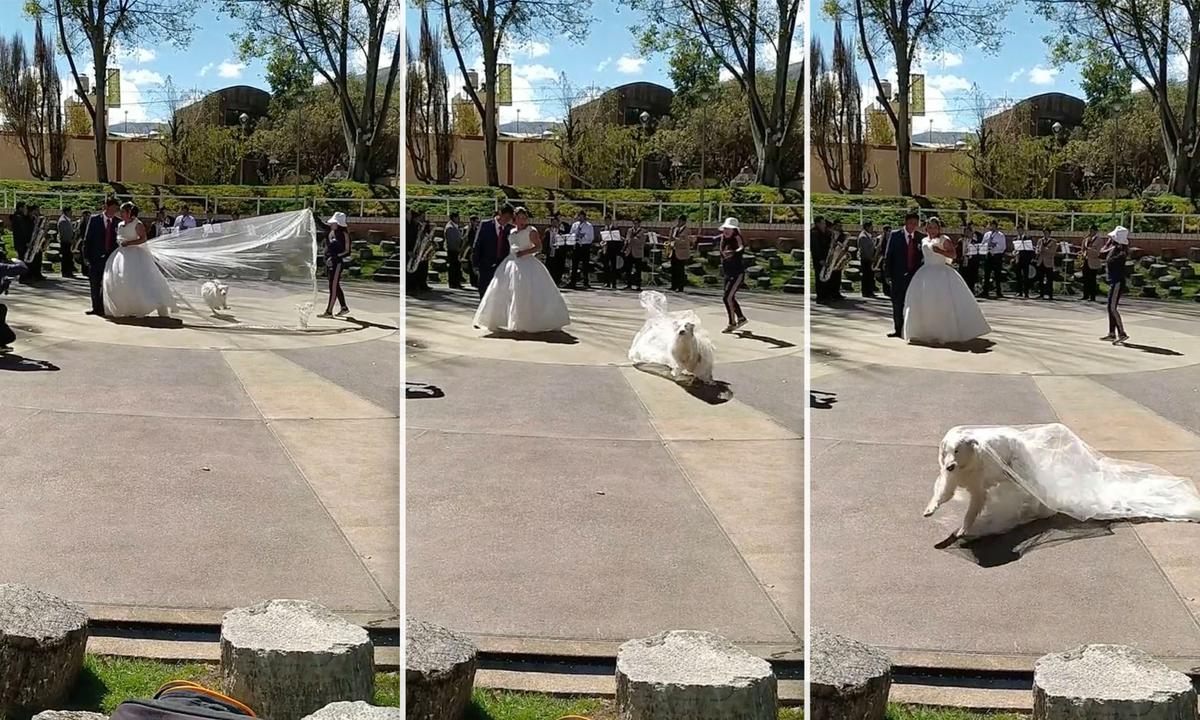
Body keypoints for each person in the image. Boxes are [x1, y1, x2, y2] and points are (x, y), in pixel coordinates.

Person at [473, 206, 571, 333]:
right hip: (510, 263)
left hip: (527, 263)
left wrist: (524, 252)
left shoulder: (531, 230)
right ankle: (497, 318)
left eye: (525, 218)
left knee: (526, 292)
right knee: (502, 290)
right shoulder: (511, 231)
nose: (523, 220)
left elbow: (538, 247)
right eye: (520, 218)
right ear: (515, 219)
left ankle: (528, 321)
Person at [903, 217, 991, 345]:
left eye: (935, 227)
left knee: (941, 302)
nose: (932, 230)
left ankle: (942, 332)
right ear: (926, 228)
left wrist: (940, 251)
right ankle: (923, 331)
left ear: (939, 228)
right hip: (925, 272)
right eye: (930, 227)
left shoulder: (944, 239)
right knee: (924, 302)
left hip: (941, 272)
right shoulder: (923, 240)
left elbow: (953, 255)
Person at [102, 202, 176, 318]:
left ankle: (153, 304)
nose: (120, 213)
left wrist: (129, 243)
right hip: (121, 255)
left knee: (139, 281)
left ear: (130, 213)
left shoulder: (138, 224)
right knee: (121, 280)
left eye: (123, 211)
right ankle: (127, 307)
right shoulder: (120, 224)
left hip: (135, 254)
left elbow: (143, 239)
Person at [883, 211, 925, 338]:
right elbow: (888, 255)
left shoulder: (920, 237)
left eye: (915, 223)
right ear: (906, 222)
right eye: (911, 223)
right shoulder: (895, 235)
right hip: (898, 276)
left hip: (914, 277)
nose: (913, 226)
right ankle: (898, 329)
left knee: (912, 304)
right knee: (897, 304)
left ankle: (910, 329)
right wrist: (887, 274)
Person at [83, 198, 119, 316]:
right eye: (112, 208)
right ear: (106, 207)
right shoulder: (94, 220)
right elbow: (87, 239)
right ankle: (95, 307)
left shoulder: (118, 222)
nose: (114, 211)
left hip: (111, 258)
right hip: (95, 257)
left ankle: (103, 307)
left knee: (107, 283)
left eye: (116, 209)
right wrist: (86, 257)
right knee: (94, 283)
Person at [473, 204, 514, 300]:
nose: (507, 220)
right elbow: (477, 245)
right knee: (484, 290)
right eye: (506, 217)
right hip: (486, 264)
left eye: (509, 218)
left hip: (502, 266)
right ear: (500, 213)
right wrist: (475, 263)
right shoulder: (485, 225)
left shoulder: (510, 229)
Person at [718, 217, 748, 332]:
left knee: (727, 297)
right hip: (727, 272)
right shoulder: (722, 238)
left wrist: (734, 252)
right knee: (729, 297)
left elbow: (741, 247)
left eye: (729, 229)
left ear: (734, 230)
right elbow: (711, 239)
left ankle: (732, 323)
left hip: (737, 273)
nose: (726, 231)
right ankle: (741, 318)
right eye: (725, 228)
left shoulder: (736, 237)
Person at [1101, 226, 1130, 345]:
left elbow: (1107, 258)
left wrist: (1109, 246)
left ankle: (1122, 333)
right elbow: (1101, 253)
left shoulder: (1120, 253)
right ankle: (1112, 333)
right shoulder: (1114, 250)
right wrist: (1108, 245)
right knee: (1109, 307)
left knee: (1113, 308)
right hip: (1113, 281)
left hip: (1117, 282)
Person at [320, 212, 352, 317]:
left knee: (333, 287)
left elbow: (347, 251)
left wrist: (334, 258)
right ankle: (344, 307)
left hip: (337, 263)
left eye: (334, 222)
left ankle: (329, 311)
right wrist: (312, 214)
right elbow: (321, 225)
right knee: (335, 286)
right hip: (329, 263)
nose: (331, 224)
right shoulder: (330, 231)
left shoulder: (344, 234)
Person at [567, 210, 594, 289]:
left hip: (585, 246)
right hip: (577, 245)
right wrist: (575, 238)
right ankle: (573, 282)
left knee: (585, 265)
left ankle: (585, 282)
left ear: (584, 217)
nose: (580, 218)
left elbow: (591, 238)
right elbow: (571, 235)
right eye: (579, 216)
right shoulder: (575, 225)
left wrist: (583, 236)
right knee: (574, 265)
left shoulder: (589, 226)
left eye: (582, 216)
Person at [980, 219, 1007, 299]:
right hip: (988, 255)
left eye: (994, 225)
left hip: (996, 256)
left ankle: (998, 291)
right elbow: (983, 243)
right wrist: (987, 245)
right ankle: (985, 291)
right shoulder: (987, 234)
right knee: (987, 274)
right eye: (991, 225)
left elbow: (1003, 247)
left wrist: (994, 246)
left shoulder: (1000, 235)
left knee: (997, 274)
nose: (992, 227)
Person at [1080, 225, 1104, 301]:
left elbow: (1098, 252)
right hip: (1086, 260)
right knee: (1085, 278)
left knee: (1092, 279)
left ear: (1096, 231)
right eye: (1089, 230)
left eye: (1092, 231)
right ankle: (1085, 295)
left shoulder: (1099, 240)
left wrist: (1090, 250)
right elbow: (1083, 249)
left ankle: (1092, 296)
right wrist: (1083, 254)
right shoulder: (1086, 239)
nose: (1090, 232)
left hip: (1093, 261)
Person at [545, 211, 568, 286]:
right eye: (553, 222)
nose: (554, 224)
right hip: (550, 250)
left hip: (559, 251)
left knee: (558, 266)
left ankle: (557, 280)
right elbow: (545, 241)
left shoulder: (562, 231)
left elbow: (565, 240)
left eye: (556, 222)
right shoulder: (548, 231)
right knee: (550, 266)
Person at [669, 216, 690, 292]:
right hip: (674, 250)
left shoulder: (687, 230)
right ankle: (673, 285)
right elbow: (671, 238)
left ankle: (680, 287)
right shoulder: (675, 229)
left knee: (680, 270)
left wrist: (675, 239)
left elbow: (685, 242)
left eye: (680, 221)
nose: (678, 223)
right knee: (673, 269)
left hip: (681, 252)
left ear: (684, 222)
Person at [624, 218, 646, 291]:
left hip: (637, 252)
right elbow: (627, 239)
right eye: (634, 223)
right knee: (628, 269)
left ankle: (638, 285)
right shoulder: (630, 230)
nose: (635, 225)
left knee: (638, 270)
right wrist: (627, 241)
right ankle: (628, 284)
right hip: (629, 251)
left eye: (637, 223)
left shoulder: (643, 231)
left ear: (639, 224)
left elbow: (642, 242)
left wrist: (633, 239)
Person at [857, 220, 877, 298]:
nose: (872, 228)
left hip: (870, 259)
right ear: (867, 227)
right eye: (871, 227)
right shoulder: (863, 237)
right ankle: (866, 292)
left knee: (870, 276)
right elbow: (864, 250)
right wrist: (871, 258)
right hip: (866, 259)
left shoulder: (868, 235)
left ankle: (870, 291)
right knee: (866, 276)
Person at [1014, 227, 1036, 299]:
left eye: (1020, 230)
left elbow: (1031, 249)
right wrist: (1014, 253)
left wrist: (1031, 258)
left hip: (1026, 259)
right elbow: (1014, 249)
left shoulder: (1028, 238)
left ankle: (1026, 292)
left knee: (1026, 276)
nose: (1019, 232)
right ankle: (1019, 291)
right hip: (1018, 259)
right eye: (1018, 230)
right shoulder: (1015, 239)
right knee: (1018, 276)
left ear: (1023, 230)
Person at [444, 212, 464, 290]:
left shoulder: (455, 226)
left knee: (457, 267)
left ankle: (457, 282)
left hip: (457, 250)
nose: (459, 219)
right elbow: (451, 240)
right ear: (454, 218)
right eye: (458, 217)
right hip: (453, 250)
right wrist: (457, 248)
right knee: (453, 267)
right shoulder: (450, 227)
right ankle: (453, 283)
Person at [602, 217, 624, 289]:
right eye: (606, 221)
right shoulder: (603, 229)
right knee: (606, 266)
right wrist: (602, 243)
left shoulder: (615, 229)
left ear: (610, 221)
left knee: (613, 267)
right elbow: (601, 239)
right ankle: (606, 282)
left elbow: (618, 240)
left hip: (613, 250)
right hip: (605, 249)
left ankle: (613, 283)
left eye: (608, 220)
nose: (607, 222)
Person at [1036, 228, 1056, 300]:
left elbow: (1053, 251)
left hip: (1048, 262)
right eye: (1044, 233)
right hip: (1041, 261)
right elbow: (1037, 249)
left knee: (1049, 279)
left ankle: (1050, 295)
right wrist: (1038, 251)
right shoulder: (1040, 240)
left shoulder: (1053, 241)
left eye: (1047, 233)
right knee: (1040, 278)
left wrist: (1046, 250)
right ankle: (1041, 294)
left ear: (1049, 233)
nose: (1045, 234)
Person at [57, 206, 76, 278]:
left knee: (69, 257)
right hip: (66, 242)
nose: (72, 213)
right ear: (67, 212)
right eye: (70, 211)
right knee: (66, 258)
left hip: (69, 242)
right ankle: (65, 272)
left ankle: (69, 271)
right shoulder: (63, 221)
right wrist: (70, 240)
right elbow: (64, 233)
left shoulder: (67, 220)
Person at [464, 215, 480, 289]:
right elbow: (468, 240)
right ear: (472, 221)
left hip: (475, 249)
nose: (477, 223)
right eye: (476, 221)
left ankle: (475, 280)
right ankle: (473, 281)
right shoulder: (469, 230)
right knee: (472, 265)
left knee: (474, 265)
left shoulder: (476, 229)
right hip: (470, 249)